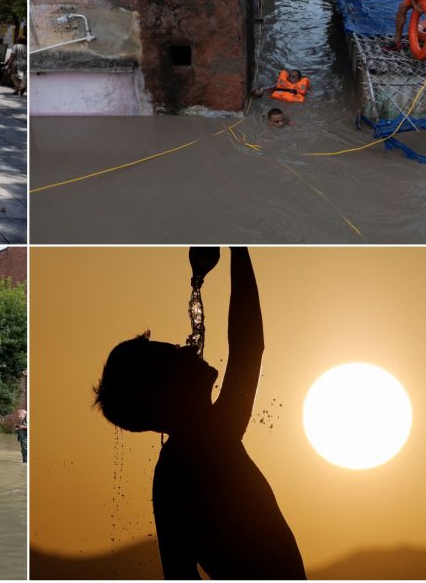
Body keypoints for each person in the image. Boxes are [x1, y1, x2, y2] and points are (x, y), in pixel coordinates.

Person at [94, 248, 306, 579]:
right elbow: (248, 345)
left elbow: (178, 572)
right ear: (165, 391)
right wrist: (238, 246)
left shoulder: (191, 450)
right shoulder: (201, 448)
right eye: (174, 353)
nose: (189, 345)